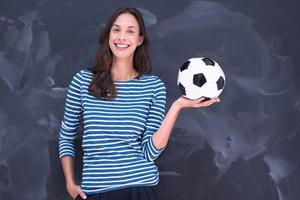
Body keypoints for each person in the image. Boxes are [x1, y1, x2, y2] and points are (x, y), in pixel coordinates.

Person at [58, 6, 220, 200]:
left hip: (140, 190)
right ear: (109, 35)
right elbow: (66, 138)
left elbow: (149, 153)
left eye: (130, 31)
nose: (122, 37)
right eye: (116, 30)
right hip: (95, 191)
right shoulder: (83, 81)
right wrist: (70, 183)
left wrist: (177, 106)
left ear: (139, 39)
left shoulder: (153, 87)